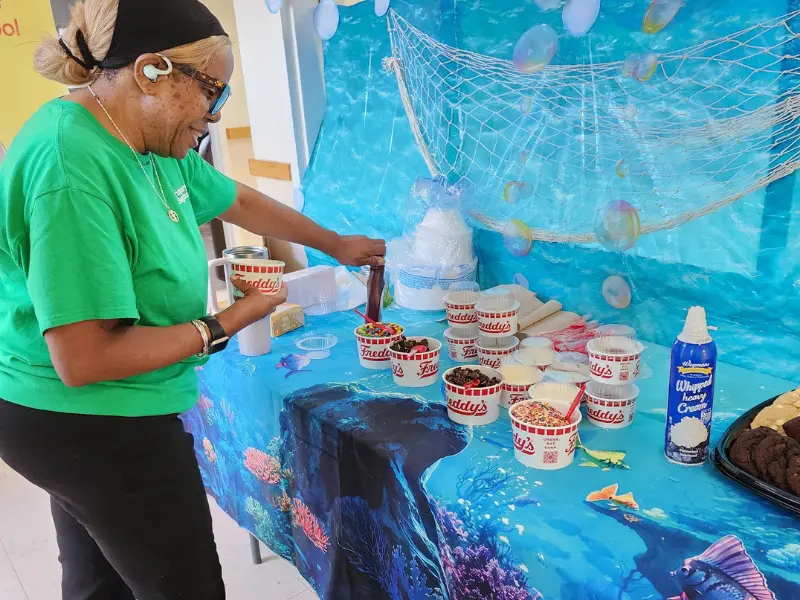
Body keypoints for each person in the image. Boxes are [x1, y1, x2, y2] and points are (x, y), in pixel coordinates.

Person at [0, 0, 385, 598]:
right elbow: (85, 358)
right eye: (212, 91)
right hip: (89, 421)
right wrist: (225, 322)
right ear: (151, 71)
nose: (216, 112)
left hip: (88, 414)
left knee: (101, 580)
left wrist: (336, 244)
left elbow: (237, 199)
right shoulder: (71, 165)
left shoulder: (144, 142)